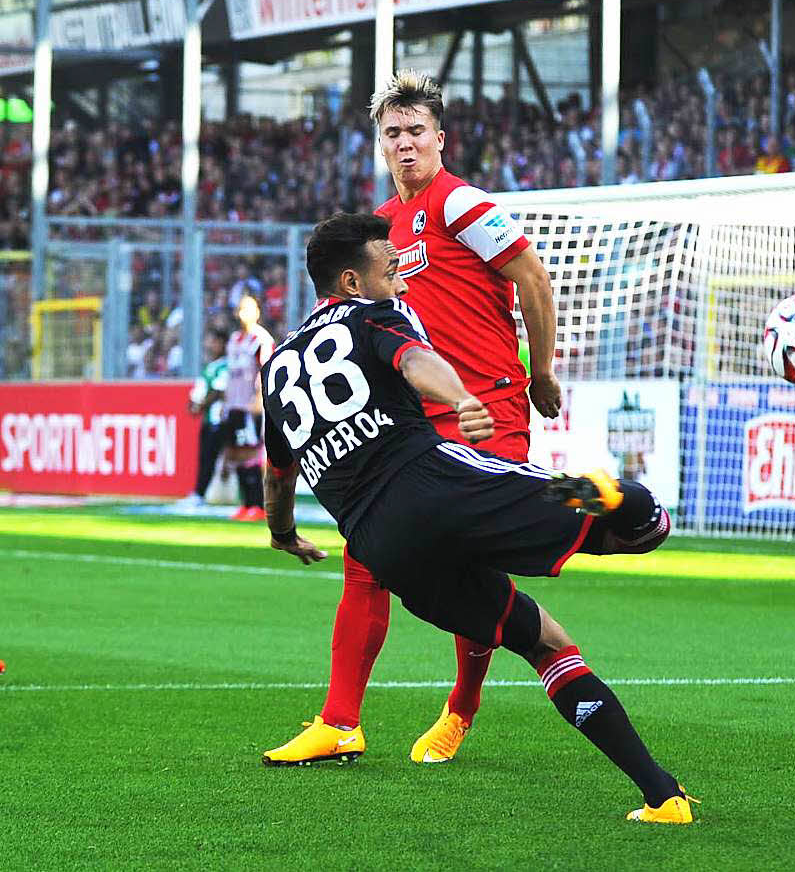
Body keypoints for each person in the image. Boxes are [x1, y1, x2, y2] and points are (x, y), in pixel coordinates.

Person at [260, 212, 695, 824]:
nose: (403, 283)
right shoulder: (371, 315)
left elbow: (277, 475)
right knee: (641, 520)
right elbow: (414, 363)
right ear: (354, 282)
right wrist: (463, 397)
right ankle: (615, 498)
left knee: (543, 642)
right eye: (392, 272)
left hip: (382, 546)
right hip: (438, 484)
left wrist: (283, 535)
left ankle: (662, 797)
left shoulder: (277, 366)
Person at [263, 70, 561, 766]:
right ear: (380, 143)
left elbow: (534, 279)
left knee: (472, 561)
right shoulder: (376, 231)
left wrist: (540, 371)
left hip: (486, 406)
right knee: (366, 556)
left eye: (416, 131)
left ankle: (462, 705)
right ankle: (339, 721)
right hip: (410, 421)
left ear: (439, 138)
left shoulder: (462, 203)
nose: (404, 143)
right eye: (392, 133)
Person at [223, 295, 274, 521]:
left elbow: (267, 370)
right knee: (237, 453)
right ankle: (246, 503)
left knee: (252, 453)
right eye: (240, 309)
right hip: (234, 404)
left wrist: (259, 398)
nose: (243, 314)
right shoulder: (234, 339)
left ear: (257, 312)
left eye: (248, 309)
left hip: (250, 406)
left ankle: (258, 505)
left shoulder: (260, 339)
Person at [182, 328, 228, 506]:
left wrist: (200, 406)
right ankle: (199, 493)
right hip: (208, 419)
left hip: (219, 419)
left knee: (215, 457)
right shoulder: (210, 366)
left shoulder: (225, 365)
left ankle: (200, 494)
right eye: (210, 341)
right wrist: (192, 404)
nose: (211, 345)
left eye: (215, 341)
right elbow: (201, 391)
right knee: (206, 457)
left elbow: (218, 391)